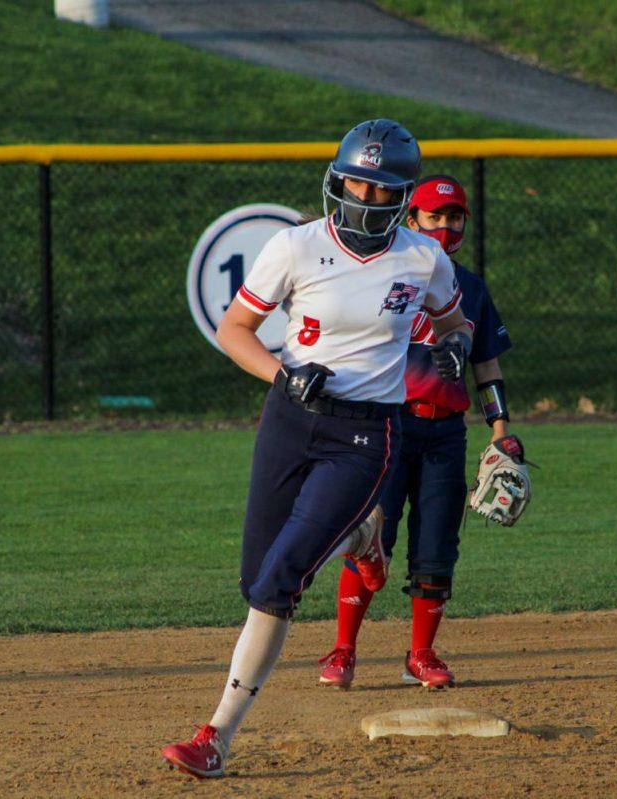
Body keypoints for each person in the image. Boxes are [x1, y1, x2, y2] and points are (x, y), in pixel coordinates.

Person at [160, 120, 474, 780]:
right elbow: (235, 328)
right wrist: (281, 371)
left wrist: (455, 345)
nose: (362, 193)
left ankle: (215, 735)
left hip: (364, 433)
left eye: (378, 185)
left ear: (401, 195)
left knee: (278, 583)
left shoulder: (423, 258)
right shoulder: (296, 246)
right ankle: (359, 532)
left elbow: (455, 320)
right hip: (290, 419)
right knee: (256, 578)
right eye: (354, 178)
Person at [317, 174, 521, 690]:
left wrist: (501, 431)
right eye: (434, 217)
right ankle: (342, 650)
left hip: (445, 436)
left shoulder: (470, 289)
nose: (445, 228)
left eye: (454, 219)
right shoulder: (388, 278)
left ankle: (421, 655)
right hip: (389, 426)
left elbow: (487, 367)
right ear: (411, 220)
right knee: (371, 538)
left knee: (436, 547)